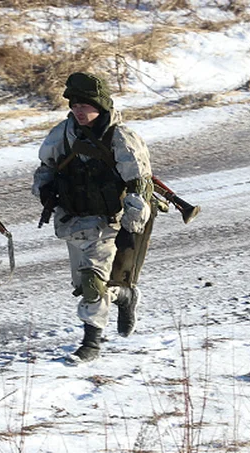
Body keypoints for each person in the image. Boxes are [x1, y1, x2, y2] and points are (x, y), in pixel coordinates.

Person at [32, 72, 154, 363]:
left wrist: (131, 226)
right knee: (85, 286)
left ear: (99, 105)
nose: (78, 111)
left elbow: (140, 183)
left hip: (109, 221)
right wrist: (44, 190)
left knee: (91, 282)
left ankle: (91, 343)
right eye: (74, 105)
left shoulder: (121, 137)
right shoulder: (62, 133)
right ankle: (124, 296)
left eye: (84, 105)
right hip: (74, 221)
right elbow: (45, 167)